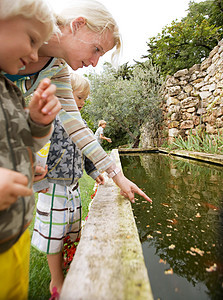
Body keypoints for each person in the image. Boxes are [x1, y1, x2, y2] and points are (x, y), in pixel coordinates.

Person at [6, 0, 152, 206]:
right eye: (96, 49)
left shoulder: (57, 69)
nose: (94, 62)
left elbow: (76, 125)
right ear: (78, 25)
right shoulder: (18, 21)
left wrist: (117, 176)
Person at [0, 1, 61, 299]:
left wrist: (36, 122)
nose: (36, 55)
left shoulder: (9, 88)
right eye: (32, 39)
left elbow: (19, 141)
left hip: (14, 233)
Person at [31, 73, 104, 294]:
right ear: (63, 93)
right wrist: (37, 183)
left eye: (84, 99)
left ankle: (68, 263)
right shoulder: (51, 120)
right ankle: (56, 281)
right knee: (54, 233)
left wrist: (93, 171)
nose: (82, 102)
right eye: (80, 97)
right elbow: (36, 152)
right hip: (52, 186)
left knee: (70, 229)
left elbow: (87, 149)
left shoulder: (80, 122)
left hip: (72, 186)